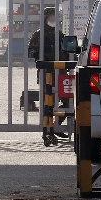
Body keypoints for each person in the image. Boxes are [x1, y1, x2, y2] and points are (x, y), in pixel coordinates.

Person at [28, 7, 69, 137]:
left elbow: (68, 52)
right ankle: (48, 130)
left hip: (61, 72)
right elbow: (31, 52)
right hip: (47, 72)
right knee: (48, 102)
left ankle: (56, 125)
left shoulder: (60, 34)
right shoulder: (38, 35)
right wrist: (44, 55)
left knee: (68, 101)